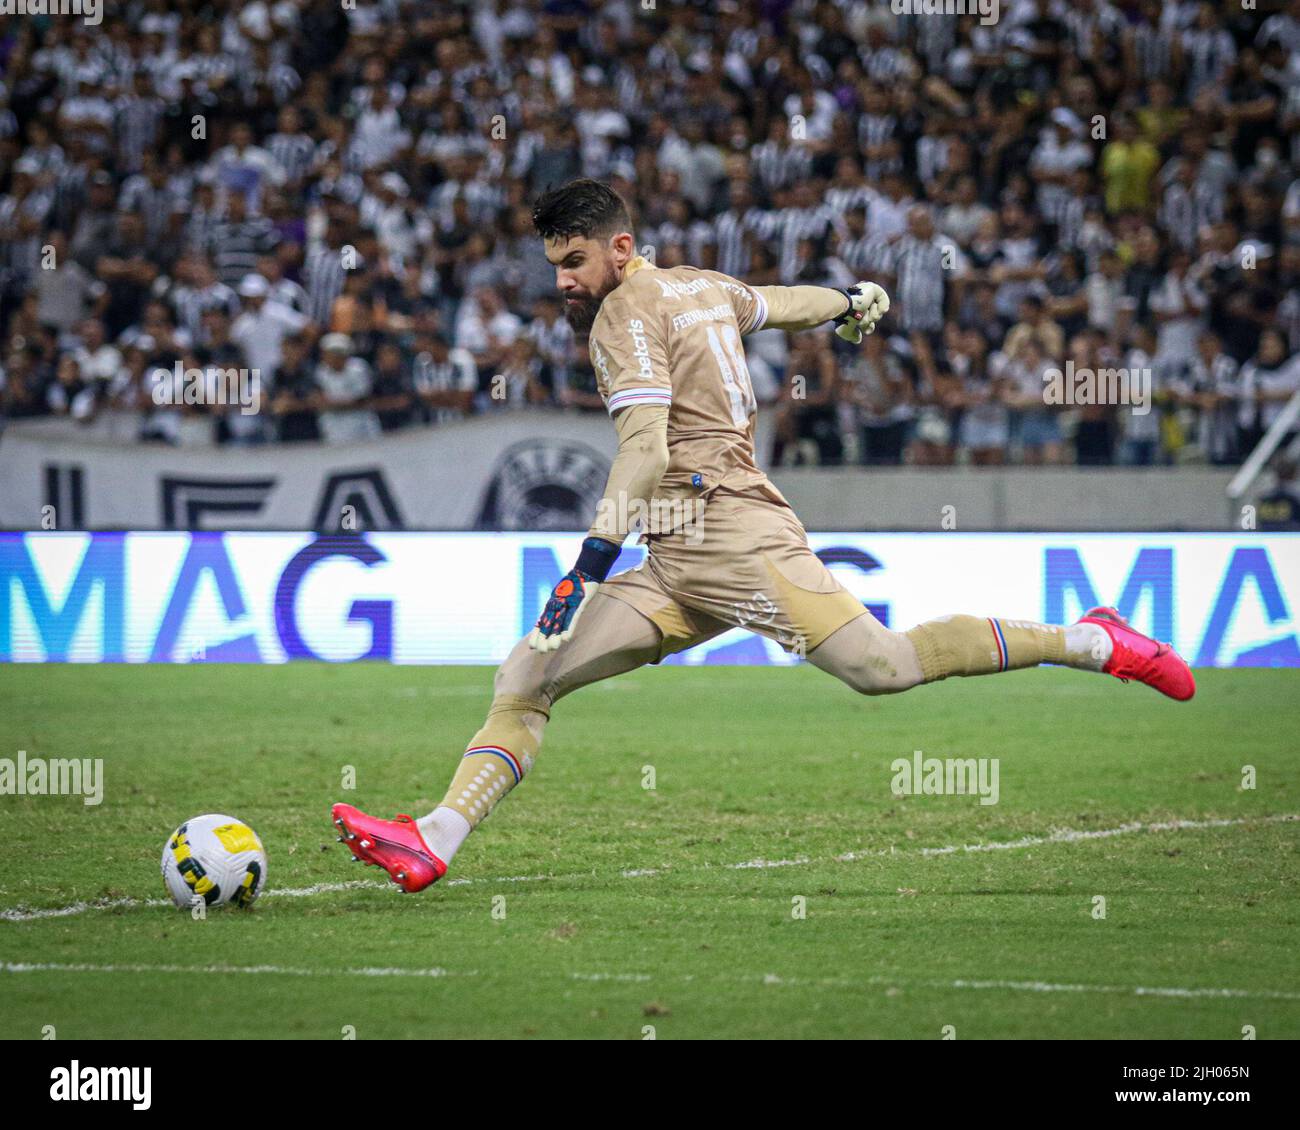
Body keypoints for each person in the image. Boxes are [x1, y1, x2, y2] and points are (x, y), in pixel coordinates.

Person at [331, 179, 1196, 894]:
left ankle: (1093, 640)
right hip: (679, 554)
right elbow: (781, 303)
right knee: (527, 673)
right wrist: (852, 299)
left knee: (882, 667)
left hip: (733, 532)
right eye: (554, 264)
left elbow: (646, 449)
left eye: (573, 261)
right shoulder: (700, 286)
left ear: (619, 251)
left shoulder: (623, 315)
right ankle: (434, 838)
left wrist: (585, 569)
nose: (561, 280)